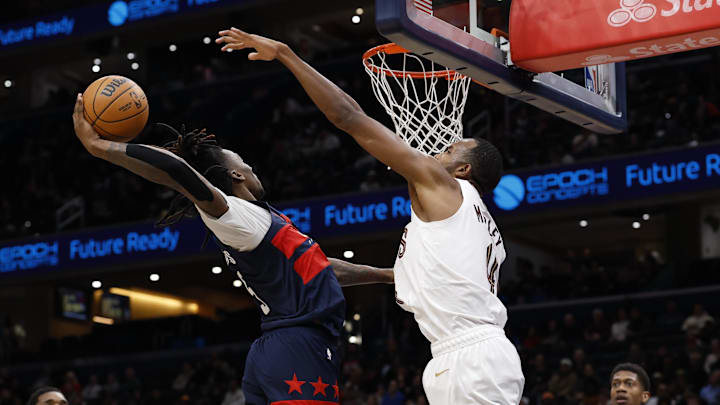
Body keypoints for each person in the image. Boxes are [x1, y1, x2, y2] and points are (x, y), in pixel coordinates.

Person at [216, 27, 523, 404]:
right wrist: (304, 270)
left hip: (472, 358)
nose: (441, 148)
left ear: (462, 172)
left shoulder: (446, 189)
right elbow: (415, 277)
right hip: (462, 356)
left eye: (451, 150)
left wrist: (285, 53)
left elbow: (348, 116)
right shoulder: (467, 223)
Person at [71, 97, 393, 404]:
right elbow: (179, 172)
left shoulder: (262, 221)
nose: (251, 166)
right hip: (296, 344)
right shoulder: (233, 214)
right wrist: (99, 147)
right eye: (244, 161)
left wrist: (386, 275)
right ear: (236, 174)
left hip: (280, 346)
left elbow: (320, 269)